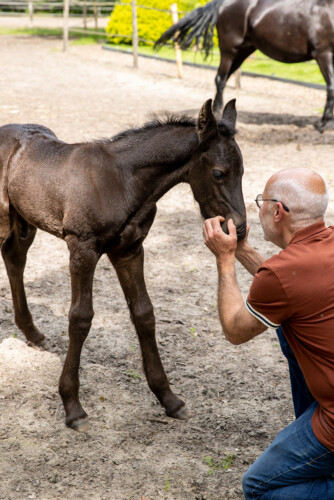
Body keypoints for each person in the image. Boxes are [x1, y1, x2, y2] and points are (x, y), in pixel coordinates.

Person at [202, 167, 334, 499]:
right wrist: (244, 249)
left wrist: (225, 259)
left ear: (278, 211)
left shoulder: (281, 275)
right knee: (286, 327)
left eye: (261, 201)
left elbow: (234, 329)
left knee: (258, 487)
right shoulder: (318, 252)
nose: (257, 208)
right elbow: (289, 285)